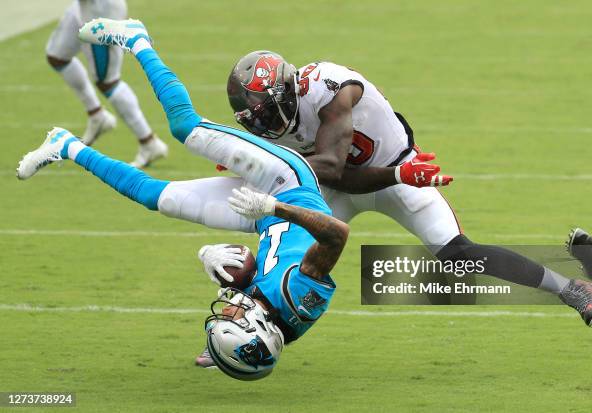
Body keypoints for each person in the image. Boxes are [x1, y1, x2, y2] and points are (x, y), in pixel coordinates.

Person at [17, 19, 349, 380]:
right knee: (185, 127)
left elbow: (251, 271)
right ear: (257, 328)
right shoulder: (296, 295)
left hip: (262, 217)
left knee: (156, 198)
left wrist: (217, 263)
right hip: (289, 185)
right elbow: (336, 234)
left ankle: (65, 145)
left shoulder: (270, 317)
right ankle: (136, 39)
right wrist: (275, 206)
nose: (229, 310)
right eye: (234, 318)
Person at [226, 51, 592, 327]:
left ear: (288, 91)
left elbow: (332, 167)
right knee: (283, 253)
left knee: (459, 255)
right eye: (255, 122)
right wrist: (261, 158)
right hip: (347, 186)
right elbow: (334, 177)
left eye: (266, 114)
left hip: (404, 172)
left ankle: (573, 288)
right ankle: (242, 332)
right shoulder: (281, 122)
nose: (264, 126)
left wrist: (265, 163)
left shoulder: (329, 88)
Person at [46, 0, 167, 167]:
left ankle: (149, 142)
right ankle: (97, 115)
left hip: (101, 10)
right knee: (57, 57)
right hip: (82, 7)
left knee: (108, 81)